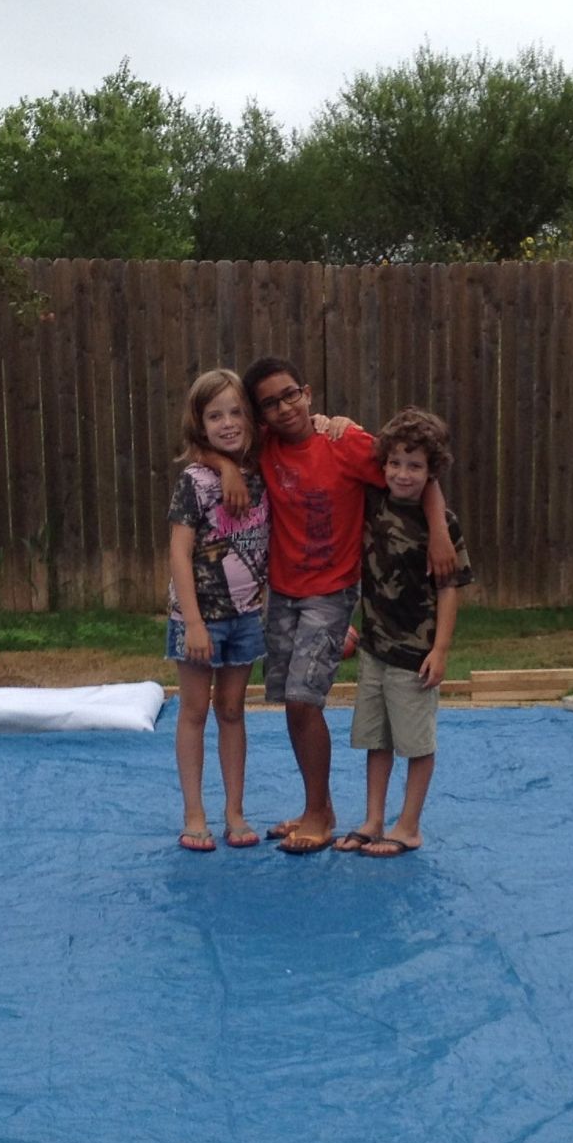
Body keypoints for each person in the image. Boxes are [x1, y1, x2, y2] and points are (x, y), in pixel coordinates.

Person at [240, 356, 456, 855]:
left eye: (290, 394)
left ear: (308, 392)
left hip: (332, 591)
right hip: (283, 593)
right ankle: (315, 804)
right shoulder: (265, 449)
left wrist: (440, 529)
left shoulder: (343, 443)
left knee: (303, 698)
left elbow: (415, 463)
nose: (283, 407)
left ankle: (321, 812)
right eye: (269, 403)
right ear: (261, 415)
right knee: (291, 705)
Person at [339, 410, 472, 858]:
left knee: (416, 743)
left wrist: (441, 649)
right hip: (375, 648)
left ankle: (409, 824)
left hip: (415, 654)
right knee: (376, 740)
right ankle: (374, 817)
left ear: (432, 472)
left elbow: (449, 589)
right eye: (395, 463)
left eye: (415, 466)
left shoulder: (443, 526)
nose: (403, 474)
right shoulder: (373, 503)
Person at [164, 369, 268, 852]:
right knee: (195, 711)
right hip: (199, 618)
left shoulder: (261, 471)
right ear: (199, 424)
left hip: (246, 615)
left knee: (232, 710)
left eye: (235, 412)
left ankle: (235, 810)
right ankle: (194, 812)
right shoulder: (194, 480)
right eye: (214, 415)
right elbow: (179, 554)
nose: (227, 423)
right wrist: (195, 623)